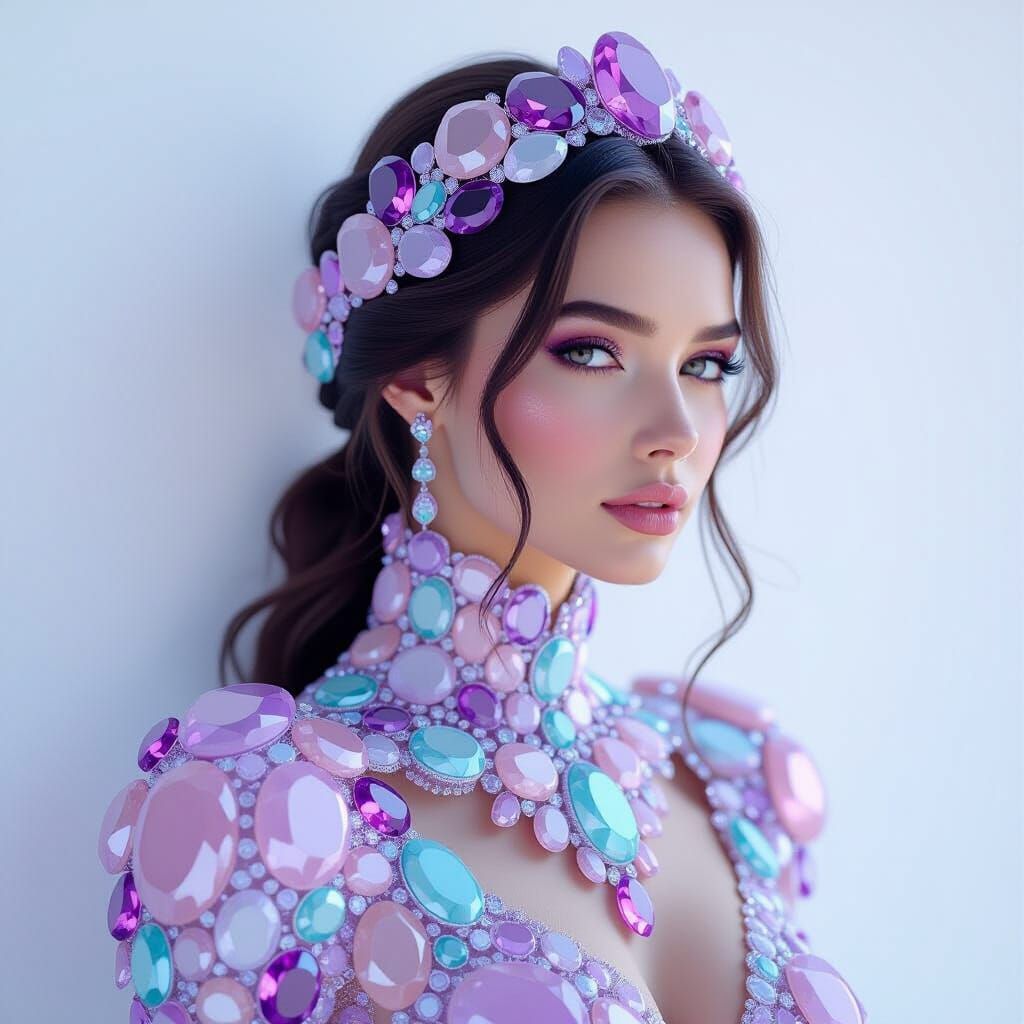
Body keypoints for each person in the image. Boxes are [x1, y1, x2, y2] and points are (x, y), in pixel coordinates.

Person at [97, 30, 869, 1024]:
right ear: (419, 378)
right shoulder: (266, 829)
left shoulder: (728, 781)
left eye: (707, 364)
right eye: (592, 352)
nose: (677, 432)